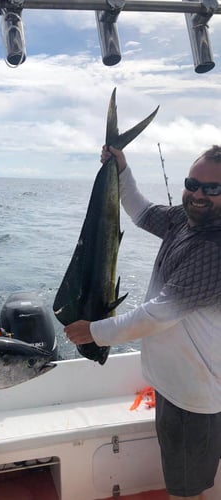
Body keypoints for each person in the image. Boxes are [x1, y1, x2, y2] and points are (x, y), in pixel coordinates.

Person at [65, 145, 221, 500]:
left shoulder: (213, 249)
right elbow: (141, 211)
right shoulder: (186, 221)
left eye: (213, 188)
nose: (198, 194)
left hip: (192, 399)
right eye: (193, 183)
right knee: (182, 480)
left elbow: (156, 316)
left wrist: (94, 331)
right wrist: (121, 170)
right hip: (174, 385)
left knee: (185, 491)